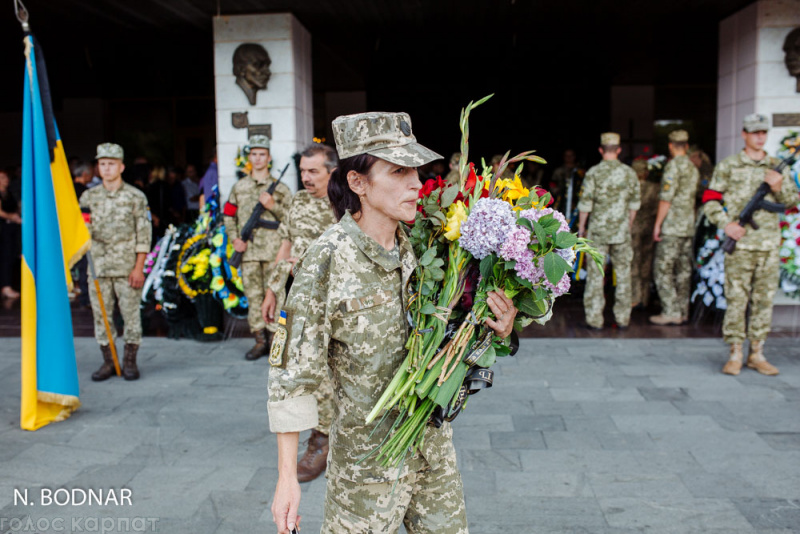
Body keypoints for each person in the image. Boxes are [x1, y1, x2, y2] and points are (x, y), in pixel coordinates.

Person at [268, 112, 517, 534]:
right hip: (366, 470)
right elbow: (292, 375)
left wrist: (496, 327)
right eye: (399, 171)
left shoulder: (425, 243)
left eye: (416, 171)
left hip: (432, 451)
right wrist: (287, 479)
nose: (416, 183)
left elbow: (452, 335)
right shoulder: (327, 258)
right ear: (358, 183)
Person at [261, 143, 339, 483]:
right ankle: (309, 434)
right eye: (303, 171)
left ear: (331, 172)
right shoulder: (296, 201)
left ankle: (321, 441)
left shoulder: (346, 204)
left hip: (328, 299)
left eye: (313, 171)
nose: (306, 178)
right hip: (292, 296)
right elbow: (285, 244)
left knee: (324, 371)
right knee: (289, 365)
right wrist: (271, 289)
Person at [703, 114, 798, 376]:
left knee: (763, 300)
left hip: (768, 245)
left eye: (763, 132)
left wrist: (778, 187)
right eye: (754, 132)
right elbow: (710, 198)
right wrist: (726, 224)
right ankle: (735, 352)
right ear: (744, 134)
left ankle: (757, 353)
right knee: (736, 299)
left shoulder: (776, 165)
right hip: (741, 245)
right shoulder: (729, 166)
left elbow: (791, 201)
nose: (759, 137)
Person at [79, 143, 152, 381]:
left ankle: (129, 362)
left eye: (111, 164)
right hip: (98, 268)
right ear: (98, 168)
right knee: (102, 317)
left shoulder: (135, 196)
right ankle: (108, 362)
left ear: (121, 167)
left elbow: (144, 235)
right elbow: (82, 230)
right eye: (102, 164)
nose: (107, 168)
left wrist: (139, 267)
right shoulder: (88, 197)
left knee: (131, 316)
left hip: (127, 268)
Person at [224, 135, 292, 361]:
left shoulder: (280, 189)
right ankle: (259, 340)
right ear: (249, 157)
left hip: (275, 253)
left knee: (277, 297)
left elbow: (293, 219)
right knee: (253, 297)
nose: (258, 158)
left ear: (269, 158)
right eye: (254, 153)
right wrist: (235, 239)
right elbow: (229, 215)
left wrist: (273, 206)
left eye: (262, 154)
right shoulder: (239, 187)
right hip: (249, 253)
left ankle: (275, 340)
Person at [577, 132, 640, 329]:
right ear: (619, 150)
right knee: (623, 275)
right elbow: (634, 205)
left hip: (598, 232)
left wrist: (581, 230)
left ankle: (595, 319)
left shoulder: (593, 173)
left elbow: (585, 205)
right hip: (621, 232)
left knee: (596, 276)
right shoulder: (629, 173)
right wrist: (628, 225)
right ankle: (623, 318)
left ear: (601, 150)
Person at [650, 130, 700, 325]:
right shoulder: (692, 168)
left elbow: (666, 199)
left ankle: (671, 311)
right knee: (683, 270)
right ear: (686, 146)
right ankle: (682, 310)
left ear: (670, 146)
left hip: (672, 227)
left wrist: (657, 224)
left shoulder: (672, 168)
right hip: (687, 226)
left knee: (662, 269)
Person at [630, 159, 659, 308]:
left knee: (633, 262)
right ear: (646, 173)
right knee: (646, 263)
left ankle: (634, 298)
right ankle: (645, 297)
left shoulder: (630, 188)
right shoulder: (655, 188)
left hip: (633, 229)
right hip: (649, 227)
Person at [0, 170, 21, 299]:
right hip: (3, 230)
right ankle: (5, 287)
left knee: (12, 256)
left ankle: (9, 284)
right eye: (2, 177)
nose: (5, 179)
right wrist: (12, 217)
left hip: (12, 230)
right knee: (5, 258)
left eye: (6, 176)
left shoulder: (9, 193)